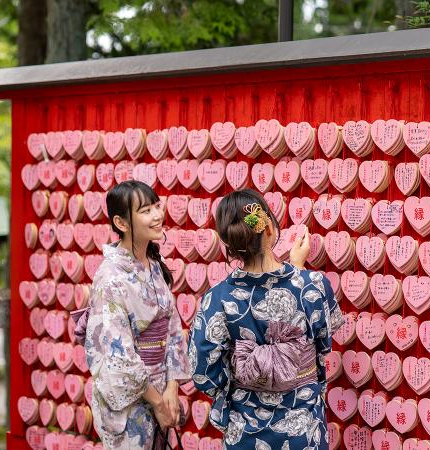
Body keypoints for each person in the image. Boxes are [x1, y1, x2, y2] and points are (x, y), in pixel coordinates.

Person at [188, 189, 344, 449]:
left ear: (229, 242)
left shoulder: (217, 299)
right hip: (302, 427)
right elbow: (326, 336)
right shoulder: (313, 285)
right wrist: (298, 271)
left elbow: (203, 371)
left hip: (246, 429)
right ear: (269, 228)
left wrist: (248, 378)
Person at [73, 180, 190, 449]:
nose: (157, 215)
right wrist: (158, 402)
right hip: (131, 403)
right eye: (146, 211)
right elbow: (117, 354)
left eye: (157, 206)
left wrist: (172, 388)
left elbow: (173, 328)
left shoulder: (154, 264)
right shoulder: (110, 277)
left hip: (161, 389)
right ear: (121, 223)